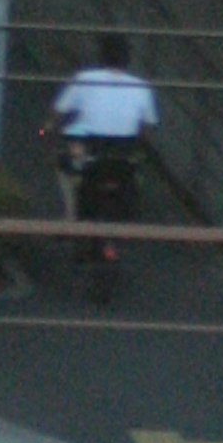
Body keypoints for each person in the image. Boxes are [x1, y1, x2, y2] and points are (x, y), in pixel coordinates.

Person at [49, 40, 161, 288]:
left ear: (102, 57)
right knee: (133, 177)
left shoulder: (85, 79)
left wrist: (50, 128)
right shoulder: (142, 87)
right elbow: (149, 126)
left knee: (63, 166)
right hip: (124, 155)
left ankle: (70, 220)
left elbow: (59, 111)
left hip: (91, 153)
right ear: (128, 60)